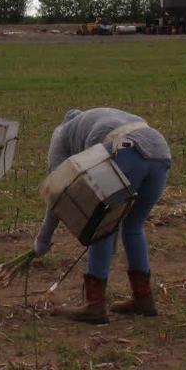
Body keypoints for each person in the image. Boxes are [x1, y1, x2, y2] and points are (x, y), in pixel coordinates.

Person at [33, 108, 172, 324]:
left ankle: (94, 306)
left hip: (126, 151)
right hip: (160, 152)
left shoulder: (61, 136)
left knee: (101, 226)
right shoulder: (97, 119)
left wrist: (42, 240)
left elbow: (57, 193)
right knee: (134, 226)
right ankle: (143, 299)